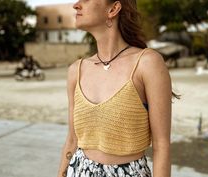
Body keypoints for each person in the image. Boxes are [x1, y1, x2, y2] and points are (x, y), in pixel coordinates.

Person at [57, 0, 179, 176]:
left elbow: (162, 146)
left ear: (113, 9)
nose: (76, 5)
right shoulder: (76, 70)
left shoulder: (147, 63)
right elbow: (72, 140)